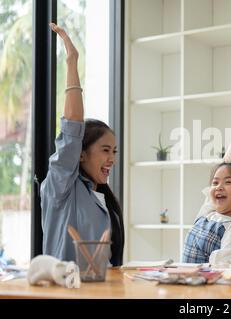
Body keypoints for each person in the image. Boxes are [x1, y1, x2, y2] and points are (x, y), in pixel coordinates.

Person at [40, 23, 124, 266]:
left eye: (114, 151)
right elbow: (72, 129)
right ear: (80, 154)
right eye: (105, 150)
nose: (112, 159)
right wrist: (71, 61)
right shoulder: (62, 187)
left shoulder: (103, 197)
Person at [182, 111, 231, 266]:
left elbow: (222, 272)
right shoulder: (208, 212)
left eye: (228, 182)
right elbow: (226, 165)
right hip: (187, 286)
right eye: (215, 183)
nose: (219, 187)